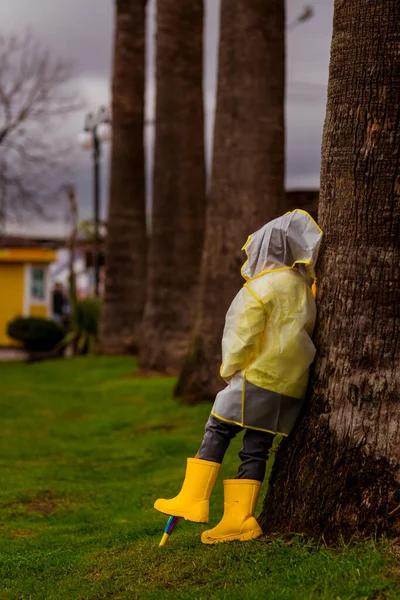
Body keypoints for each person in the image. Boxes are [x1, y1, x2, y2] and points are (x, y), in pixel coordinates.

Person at [154, 209, 323, 544]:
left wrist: (230, 368)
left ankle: (194, 498)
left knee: (218, 426)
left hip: (258, 375)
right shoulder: (305, 288)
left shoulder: (259, 288)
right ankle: (240, 519)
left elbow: (241, 335)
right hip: (291, 386)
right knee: (255, 447)